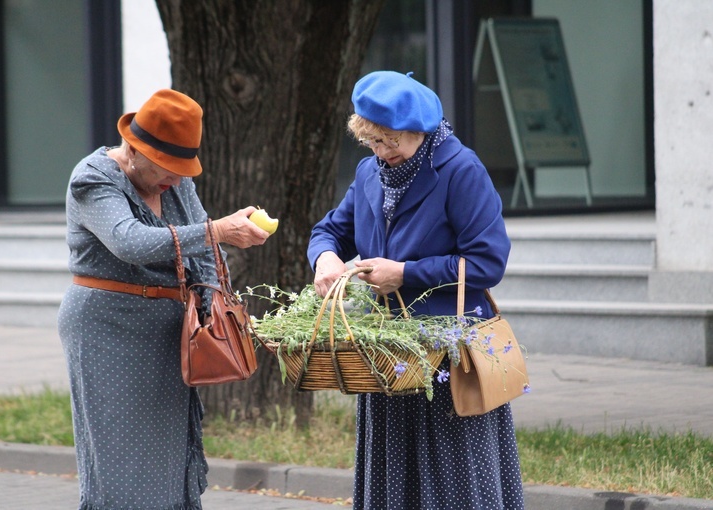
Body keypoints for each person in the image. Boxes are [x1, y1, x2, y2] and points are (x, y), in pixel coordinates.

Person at [307, 71, 524, 509]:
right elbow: (330, 229)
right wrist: (325, 256)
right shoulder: (369, 171)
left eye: (392, 142)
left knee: (456, 482)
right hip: (388, 356)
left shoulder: (461, 169)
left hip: (447, 359)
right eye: (373, 141)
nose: (383, 153)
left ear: (420, 132)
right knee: (394, 480)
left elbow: (486, 263)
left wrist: (406, 274)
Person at [57, 88, 269, 510]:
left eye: (181, 169)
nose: (174, 179)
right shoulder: (93, 178)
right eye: (166, 169)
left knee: (168, 459)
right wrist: (218, 230)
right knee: (120, 460)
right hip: (107, 331)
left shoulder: (177, 179)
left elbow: (206, 249)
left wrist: (215, 308)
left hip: (168, 333)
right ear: (133, 150)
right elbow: (130, 242)